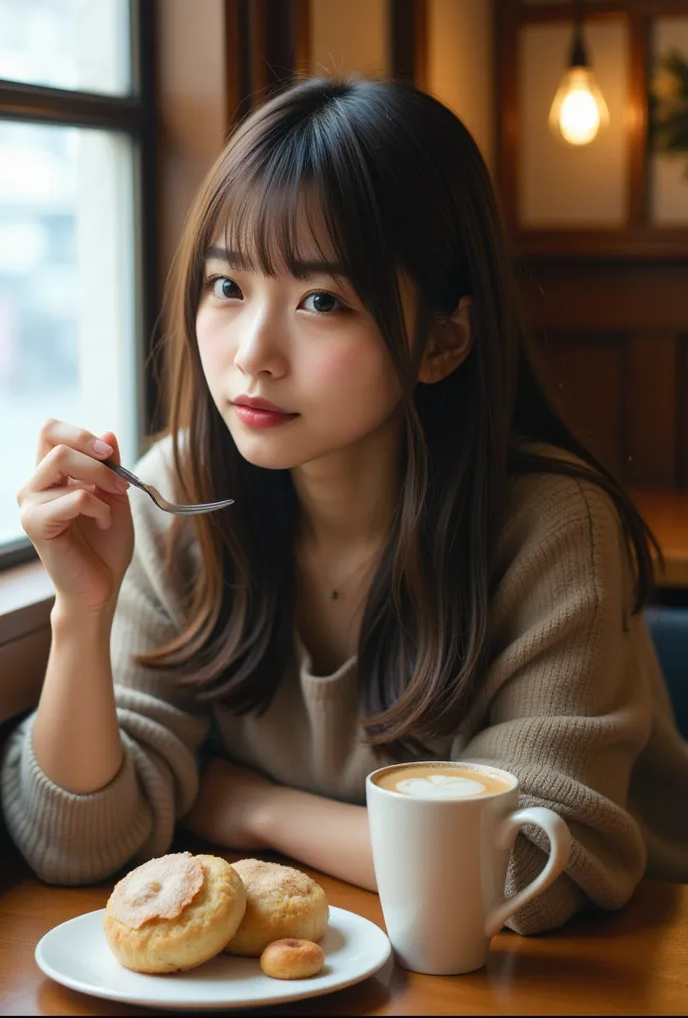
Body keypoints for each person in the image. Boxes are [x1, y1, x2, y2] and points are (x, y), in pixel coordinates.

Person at [3, 77, 687, 935]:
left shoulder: (553, 528)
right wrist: (81, 608)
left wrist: (247, 806)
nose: (253, 355)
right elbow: (77, 842)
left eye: (322, 301)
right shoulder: (174, 496)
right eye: (227, 286)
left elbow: (521, 870)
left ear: (442, 341)